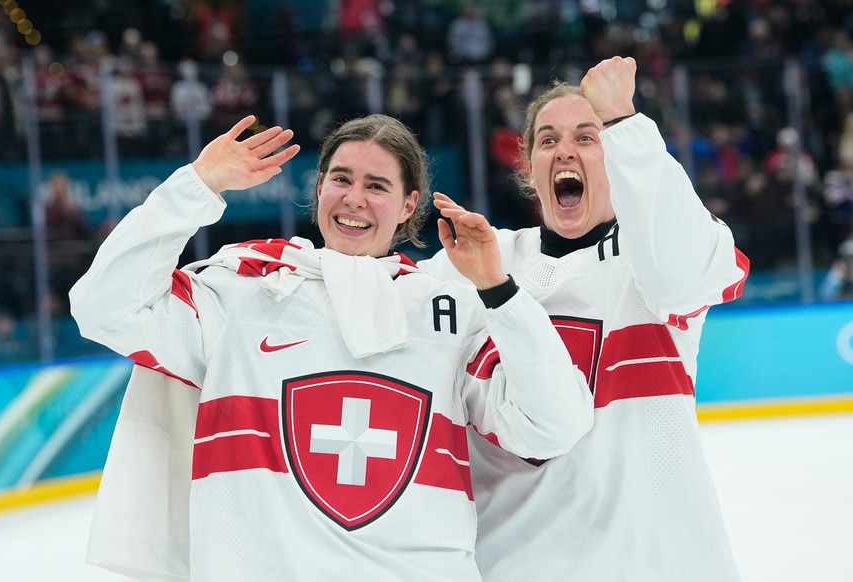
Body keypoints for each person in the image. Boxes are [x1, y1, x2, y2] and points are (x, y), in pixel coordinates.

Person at [70, 114, 594, 581]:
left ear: (410, 204)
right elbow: (104, 308)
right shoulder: (241, 288)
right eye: (340, 179)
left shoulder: (450, 307)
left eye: (377, 185)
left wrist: (498, 290)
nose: (354, 198)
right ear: (319, 187)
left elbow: (555, 424)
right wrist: (197, 185)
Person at [420, 56, 750, 581]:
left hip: (656, 565)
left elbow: (686, 274)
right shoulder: (473, 263)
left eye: (588, 136)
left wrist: (625, 122)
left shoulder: (651, 260)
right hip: (514, 564)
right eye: (547, 140)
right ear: (528, 165)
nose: (564, 150)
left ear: (617, 153)